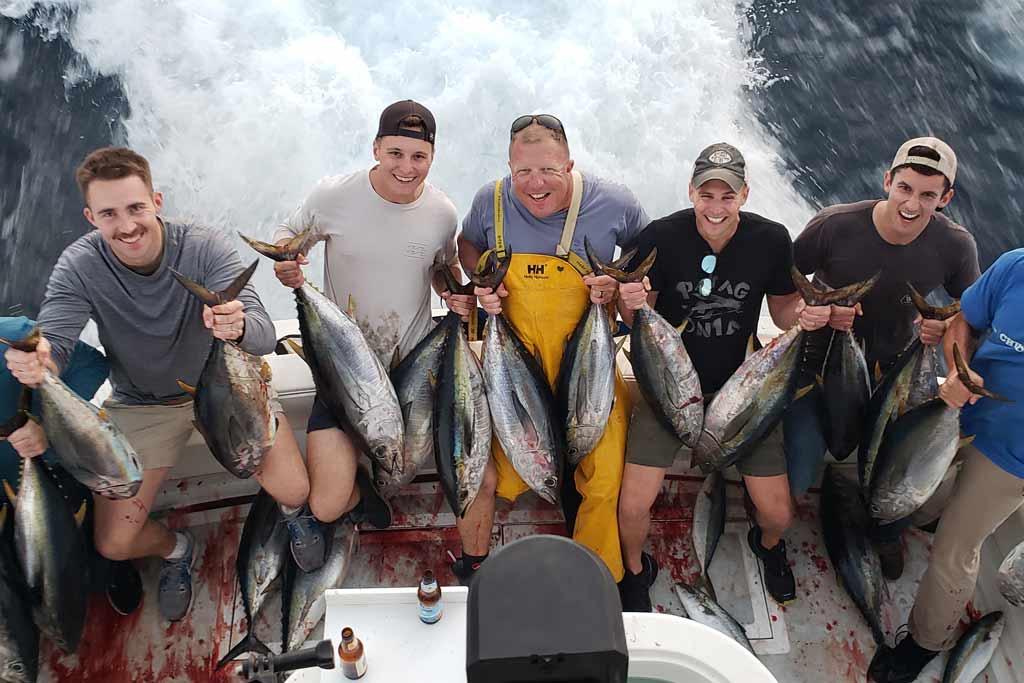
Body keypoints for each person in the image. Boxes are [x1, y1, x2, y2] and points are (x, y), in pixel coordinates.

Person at [4, 146, 313, 622]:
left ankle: (292, 518)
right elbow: (58, 341)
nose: (126, 225)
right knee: (113, 543)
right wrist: (42, 358)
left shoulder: (203, 246)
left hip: (226, 388)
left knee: (295, 491)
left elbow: (264, 334)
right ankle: (176, 550)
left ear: (157, 201)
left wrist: (236, 325)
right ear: (91, 217)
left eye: (135, 208)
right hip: (144, 403)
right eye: (109, 213)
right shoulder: (78, 265)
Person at [615, 143, 831, 611]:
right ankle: (634, 570)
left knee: (777, 514)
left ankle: (767, 547)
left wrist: (807, 313)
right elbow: (635, 318)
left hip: (744, 390)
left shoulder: (771, 240)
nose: (716, 207)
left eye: (727, 196)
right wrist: (629, 300)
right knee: (632, 507)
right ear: (691, 192)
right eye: (706, 195)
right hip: (668, 389)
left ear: (744, 194)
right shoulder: (660, 236)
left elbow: (783, 309)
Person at [271, 101, 480, 553]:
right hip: (341, 367)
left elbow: (442, 269)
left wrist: (451, 291)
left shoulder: (441, 212)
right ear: (376, 148)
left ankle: (371, 471)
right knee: (326, 506)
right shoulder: (333, 196)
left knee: (408, 464)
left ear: (432, 156)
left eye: (418, 156)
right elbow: (288, 239)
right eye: (396, 153)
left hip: (410, 368)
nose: (406, 168)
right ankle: (360, 489)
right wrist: (288, 264)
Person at [458, 113, 650, 585]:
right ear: (508, 168)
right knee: (486, 472)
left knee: (604, 480)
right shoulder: (490, 202)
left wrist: (621, 283)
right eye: (523, 172)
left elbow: (648, 264)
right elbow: (466, 245)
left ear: (569, 163)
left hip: (590, 366)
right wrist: (484, 281)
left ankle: (600, 579)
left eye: (548, 170)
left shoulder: (615, 202)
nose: (536, 183)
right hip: (513, 364)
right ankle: (479, 566)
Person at [794, 137, 981, 580]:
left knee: (901, 478)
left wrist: (945, 333)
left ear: (946, 197)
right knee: (799, 477)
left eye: (928, 195)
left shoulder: (956, 245)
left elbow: (969, 313)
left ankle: (885, 532)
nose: (913, 204)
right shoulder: (834, 225)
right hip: (820, 365)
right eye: (905, 188)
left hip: (894, 374)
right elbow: (786, 287)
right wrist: (812, 312)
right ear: (887, 181)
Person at [867, 248, 1024, 683]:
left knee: (955, 550)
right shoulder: (1016, 266)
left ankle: (924, 644)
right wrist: (959, 370)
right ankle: (919, 522)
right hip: (957, 413)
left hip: (1013, 457)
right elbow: (965, 322)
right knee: (912, 496)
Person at [0, 316, 143, 616]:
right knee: (29, 575)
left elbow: (93, 367)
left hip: (56, 473)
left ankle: (111, 572)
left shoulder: (11, 336)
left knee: (82, 546)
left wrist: (45, 427)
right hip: (7, 499)